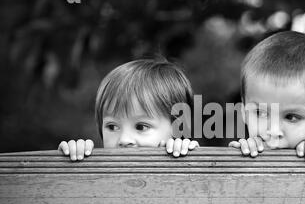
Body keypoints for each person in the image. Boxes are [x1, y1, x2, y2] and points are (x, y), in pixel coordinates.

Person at [229, 31, 305, 164]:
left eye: (291, 117)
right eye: (261, 113)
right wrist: (234, 158)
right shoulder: (243, 154)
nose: (273, 131)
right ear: (244, 112)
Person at [58, 58, 199, 160]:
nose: (124, 140)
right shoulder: (99, 171)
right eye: (112, 127)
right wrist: (71, 162)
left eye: (141, 127)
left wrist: (186, 154)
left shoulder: (181, 164)